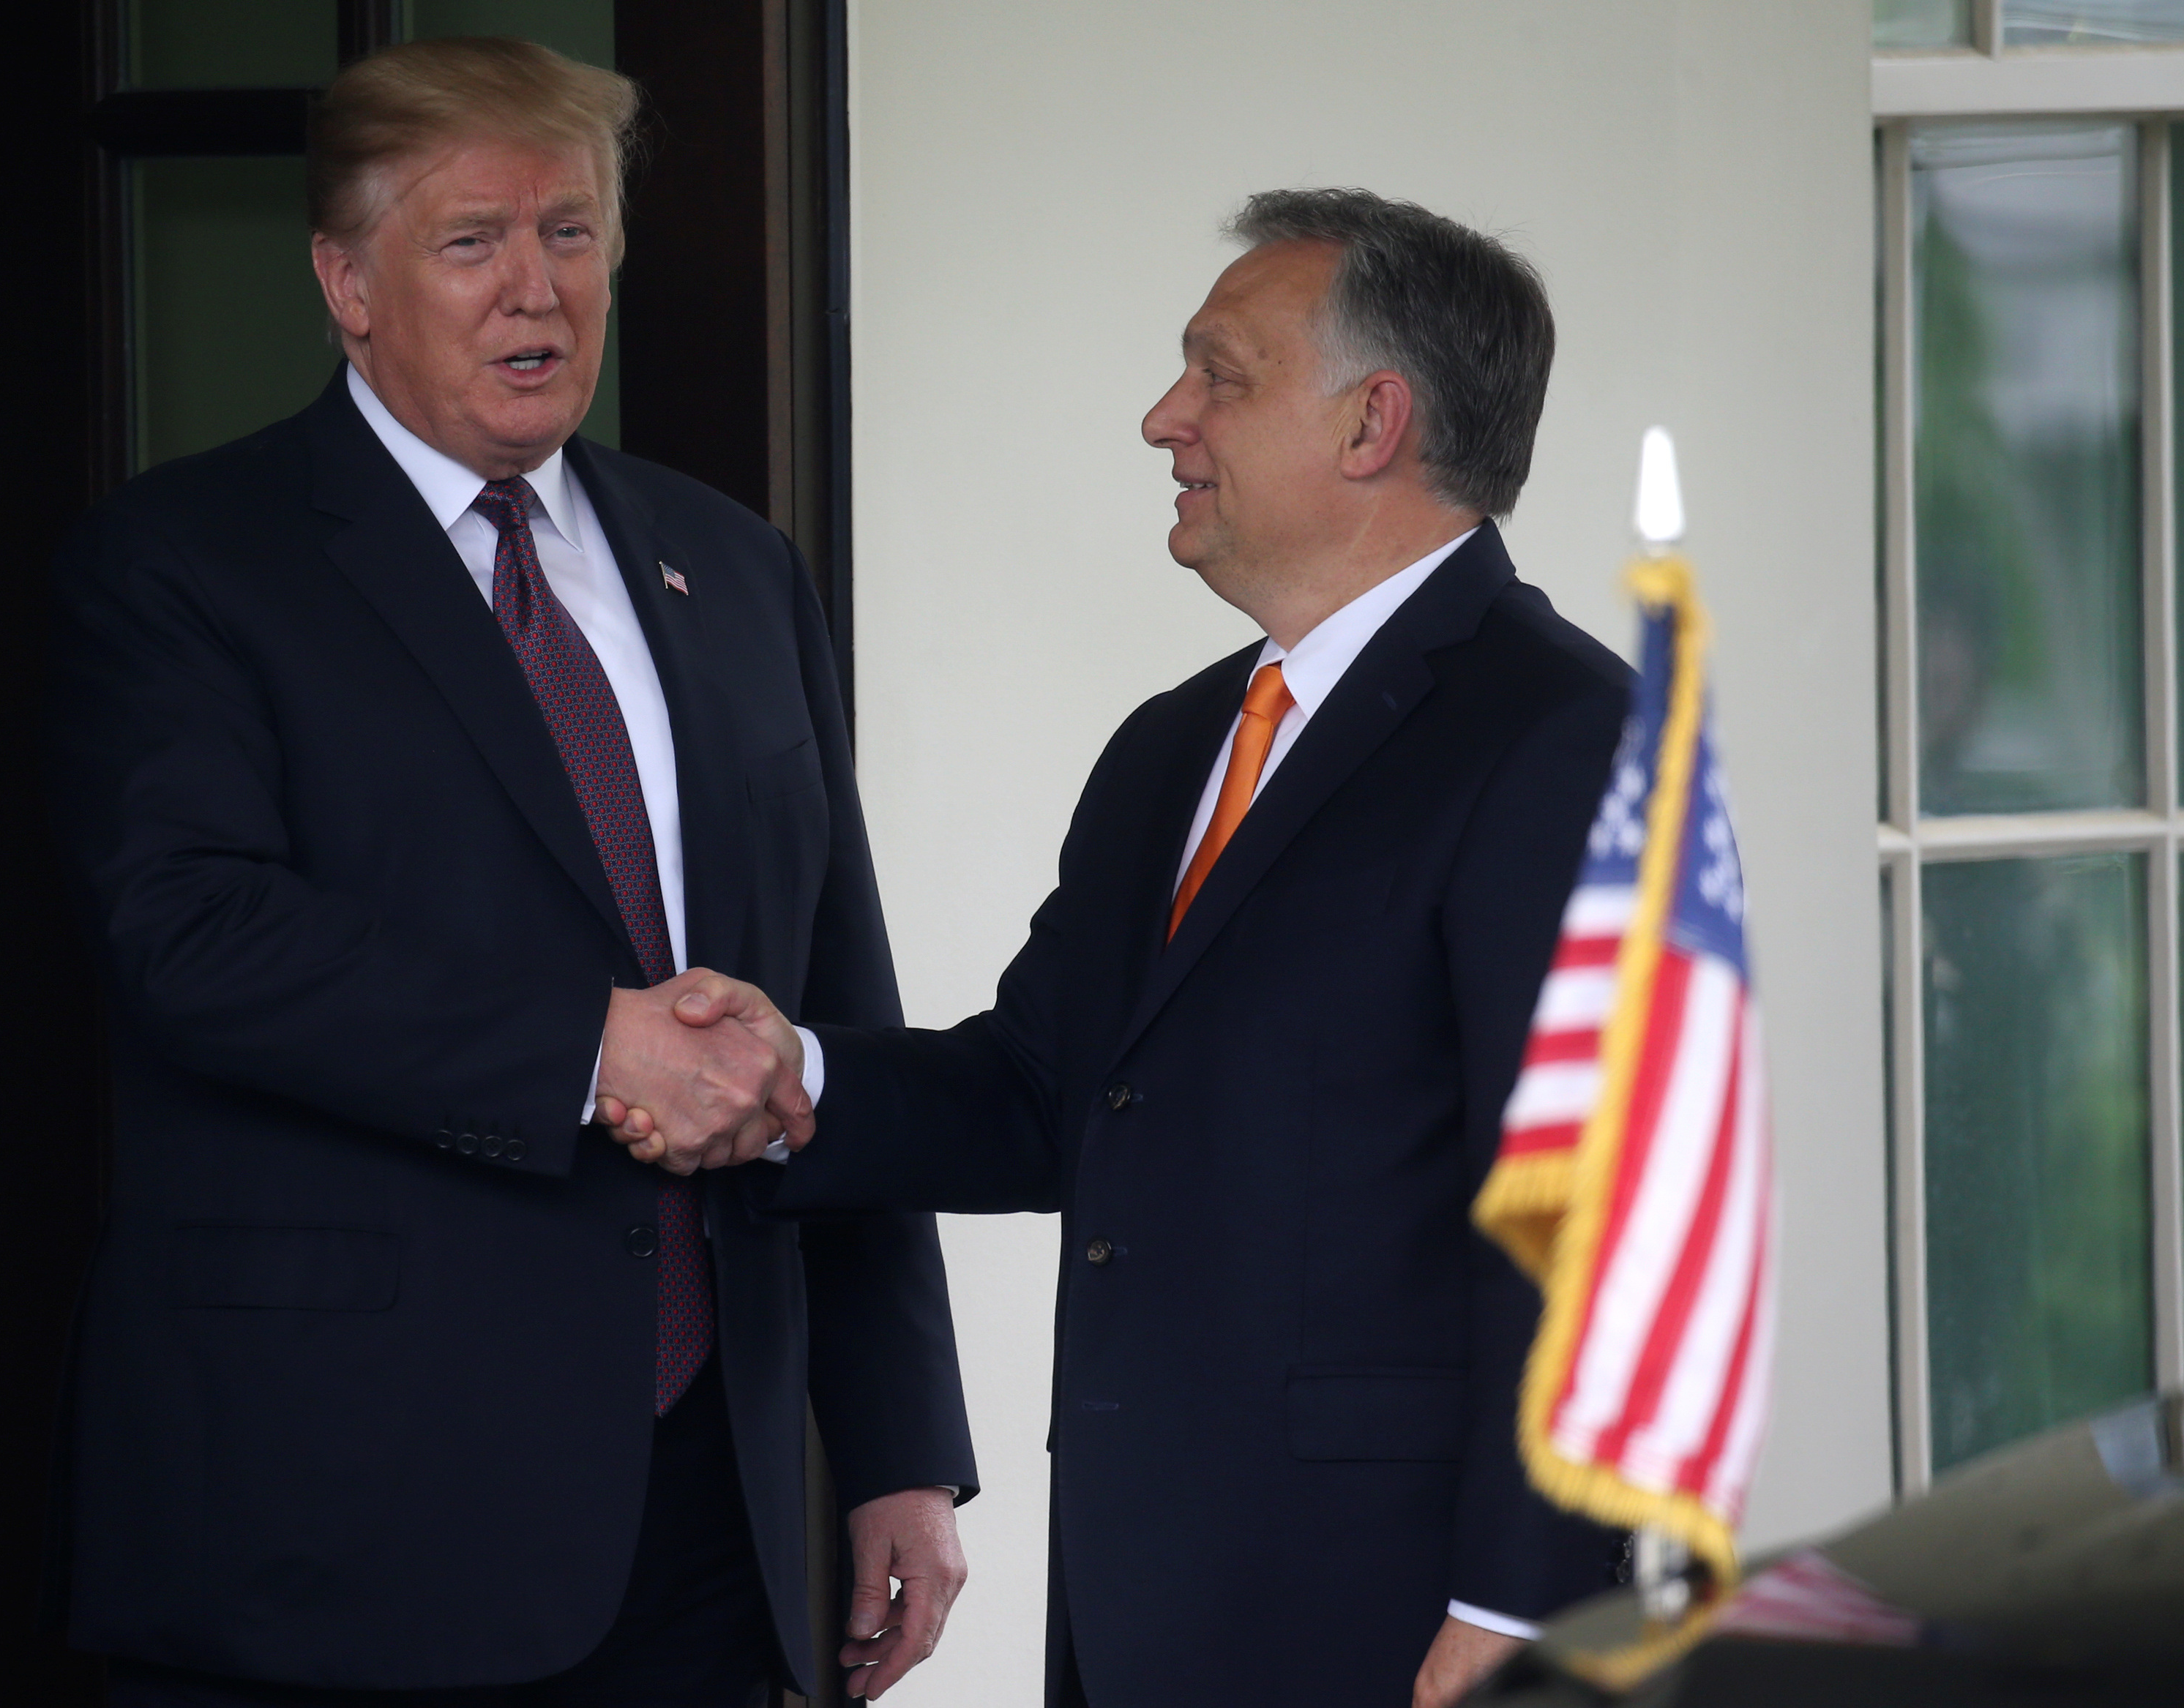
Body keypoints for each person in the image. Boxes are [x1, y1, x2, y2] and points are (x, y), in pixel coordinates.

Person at [605, 191, 1632, 1707]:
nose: (1167, 418)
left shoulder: (1565, 734)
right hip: (1146, 1604)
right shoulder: (1174, 748)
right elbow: (1042, 1089)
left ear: (1371, 423)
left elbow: (1592, 1201)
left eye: (1219, 373)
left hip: (1407, 1617)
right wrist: (783, 1072)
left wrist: (1525, 1603)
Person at [45, 38, 973, 1708]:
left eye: (571, 231)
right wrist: (588, 1048)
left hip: (708, 1505)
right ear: (345, 280)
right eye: (471, 240)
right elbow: (186, 933)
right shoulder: (182, 561)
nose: (532, 288)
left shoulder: (736, 566)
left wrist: (903, 1445)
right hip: (344, 1505)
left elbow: (838, 1001)